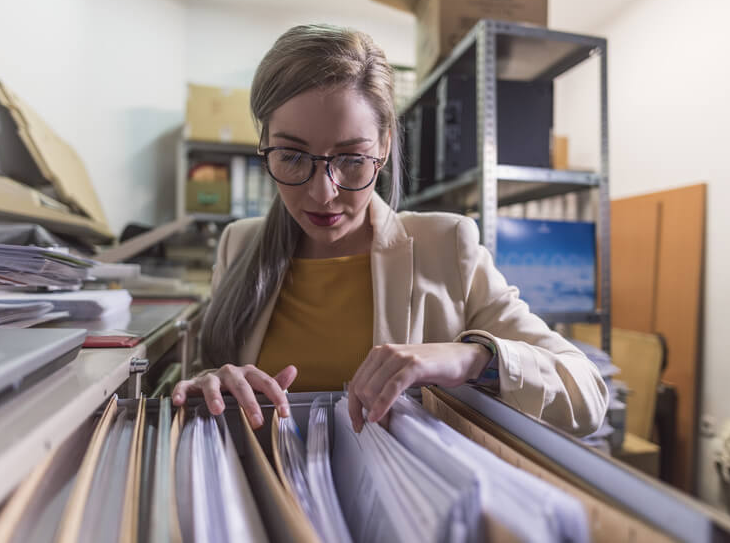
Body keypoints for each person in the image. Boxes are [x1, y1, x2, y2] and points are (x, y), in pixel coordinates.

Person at [172, 24, 608, 436]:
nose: (323, 194)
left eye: (351, 158)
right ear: (263, 143)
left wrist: (474, 357)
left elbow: (586, 393)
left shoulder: (446, 246)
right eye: (291, 156)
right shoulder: (239, 245)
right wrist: (208, 384)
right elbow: (202, 376)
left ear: (382, 146)